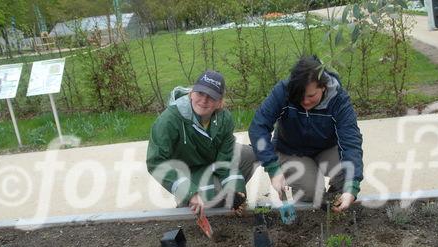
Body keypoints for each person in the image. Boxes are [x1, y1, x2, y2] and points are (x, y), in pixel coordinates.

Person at [249, 55, 363, 212]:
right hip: (291, 150)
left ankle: (336, 205)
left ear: (323, 87)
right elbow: (258, 127)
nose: (305, 102)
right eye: (300, 96)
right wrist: (273, 168)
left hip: (326, 148)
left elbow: (351, 140)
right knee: (312, 192)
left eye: (311, 96)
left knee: (347, 174)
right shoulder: (284, 91)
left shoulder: (338, 100)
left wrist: (352, 186)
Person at [146, 70, 256, 216]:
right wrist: (189, 192)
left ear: (219, 102)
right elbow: (156, 162)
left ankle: (226, 198)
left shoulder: (224, 119)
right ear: (191, 93)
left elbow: (226, 160)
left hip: (210, 162)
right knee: (210, 198)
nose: (204, 100)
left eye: (211, 97)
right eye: (200, 93)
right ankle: (187, 203)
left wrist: (235, 190)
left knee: (250, 154)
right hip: (186, 171)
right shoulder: (168, 121)